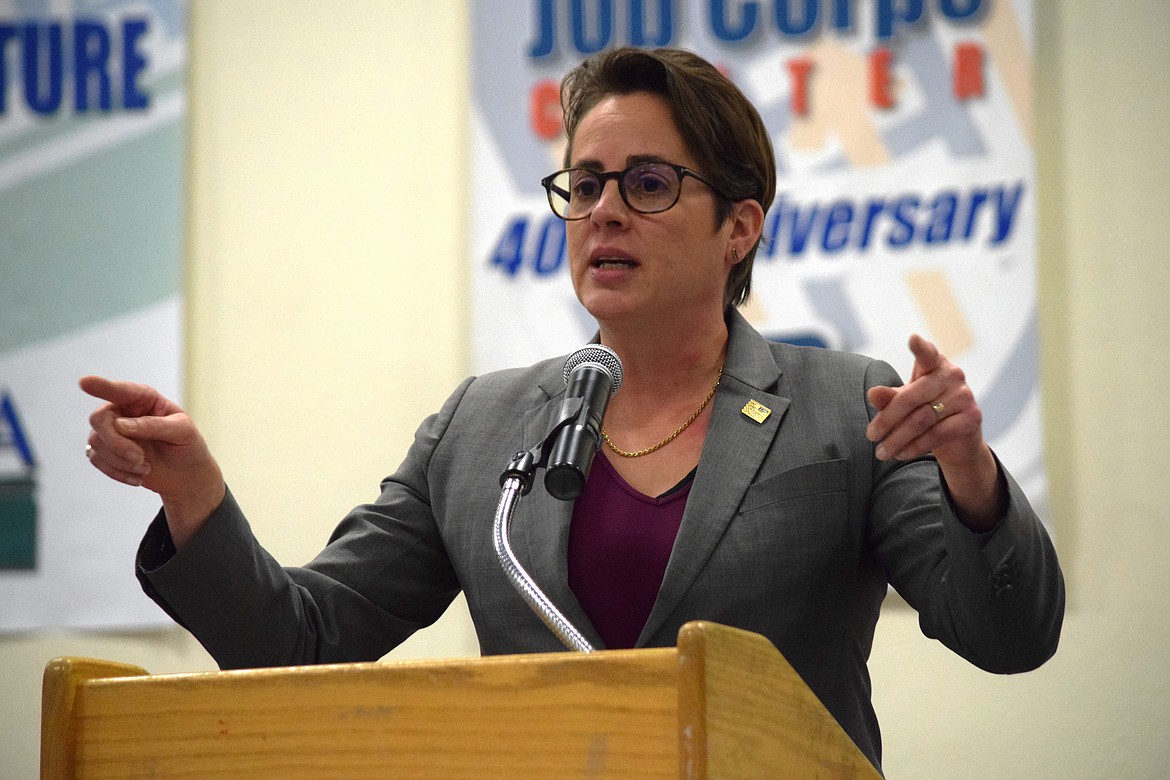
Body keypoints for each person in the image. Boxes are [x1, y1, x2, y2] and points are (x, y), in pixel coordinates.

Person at [81, 47, 1064, 772]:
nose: (603, 211)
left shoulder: (842, 405)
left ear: (740, 226)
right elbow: (300, 643)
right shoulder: (479, 428)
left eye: (647, 184)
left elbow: (1008, 638)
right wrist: (196, 499)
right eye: (585, 184)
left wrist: (972, 482)